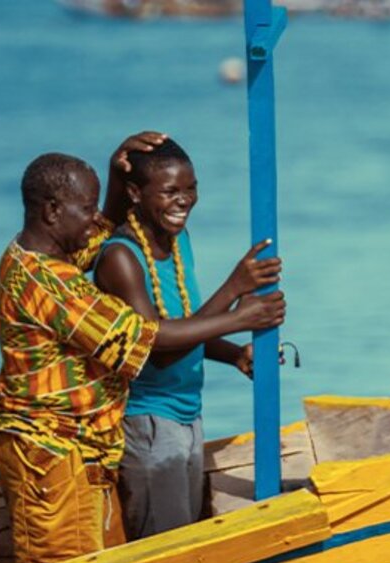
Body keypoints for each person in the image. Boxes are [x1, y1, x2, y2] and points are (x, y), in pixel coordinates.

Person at [0, 133, 284, 563]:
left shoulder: (45, 252)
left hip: (84, 449)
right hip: (48, 451)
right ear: (51, 211)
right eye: (86, 209)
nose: (95, 220)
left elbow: (96, 235)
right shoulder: (49, 283)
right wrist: (240, 311)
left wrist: (113, 175)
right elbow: (144, 339)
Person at [94, 136, 283, 541]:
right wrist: (234, 296)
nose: (184, 201)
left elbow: (189, 325)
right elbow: (155, 347)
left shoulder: (178, 242)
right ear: (134, 193)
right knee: (168, 546)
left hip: (188, 414)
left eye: (190, 188)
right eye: (169, 191)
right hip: (147, 424)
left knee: (189, 536)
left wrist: (234, 355)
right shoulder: (120, 258)